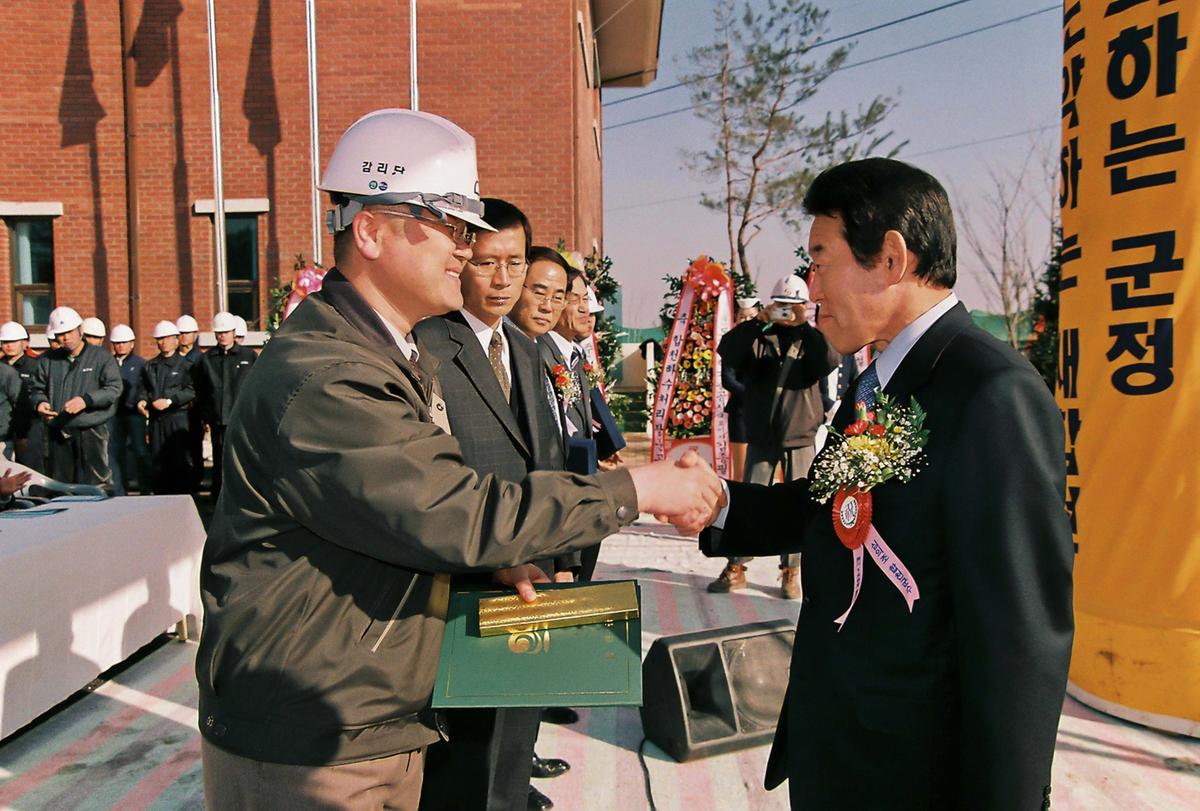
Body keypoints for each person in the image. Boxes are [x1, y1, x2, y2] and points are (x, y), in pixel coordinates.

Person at [196, 108, 720, 810]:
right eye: (447, 224)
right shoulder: (329, 374)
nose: (465, 248)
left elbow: (400, 513)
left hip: (368, 717)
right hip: (310, 740)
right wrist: (639, 488)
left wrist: (485, 563)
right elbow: (456, 511)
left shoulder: (387, 353)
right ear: (370, 230)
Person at [690, 157, 1073, 810]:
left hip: (912, 772)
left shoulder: (989, 392)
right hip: (842, 747)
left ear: (891, 258)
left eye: (820, 259)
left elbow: (1020, 639)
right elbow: (829, 506)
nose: (810, 286)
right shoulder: (883, 378)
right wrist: (716, 500)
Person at [414, 200, 571, 811]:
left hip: (530, 578)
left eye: (516, 262)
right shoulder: (428, 344)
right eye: (486, 263)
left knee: (515, 736)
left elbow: (546, 462)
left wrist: (560, 556)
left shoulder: (528, 349)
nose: (504, 279)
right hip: (466, 581)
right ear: (461, 261)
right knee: (466, 755)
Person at [708, 274, 839, 599]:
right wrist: (759, 322)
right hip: (762, 436)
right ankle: (736, 566)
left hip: (800, 435)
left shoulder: (811, 341)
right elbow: (728, 351)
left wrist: (804, 327)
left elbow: (829, 360)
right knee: (748, 503)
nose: (787, 311)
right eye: (781, 305)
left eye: (793, 306)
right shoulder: (759, 338)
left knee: (800, 506)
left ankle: (791, 571)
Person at [30, 307, 121, 487]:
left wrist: (86, 400)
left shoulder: (100, 357)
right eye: (60, 334)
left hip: (91, 427)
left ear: (80, 330)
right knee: (59, 484)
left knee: (99, 482)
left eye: (69, 332)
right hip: (59, 428)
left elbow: (114, 389)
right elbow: (35, 389)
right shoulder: (47, 360)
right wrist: (40, 403)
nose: (66, 338)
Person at [195, 311, 256, 497]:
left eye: (226, 332)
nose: (222, 336)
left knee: (242, 458)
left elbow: (256, 387)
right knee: (220, 459)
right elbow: (201, 391)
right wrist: (206, 417)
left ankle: (244, 496)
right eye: (219, 333)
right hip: (218, 419)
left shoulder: (249, 356)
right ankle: (219, 497)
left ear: (233, 332)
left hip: (242, 419)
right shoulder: (207, 359)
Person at [138, 320, 195, 494]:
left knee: (179, 458)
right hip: (157, 420)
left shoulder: (186, 365)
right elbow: (144, 388)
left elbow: (192, 390)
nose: (163, 342)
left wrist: (170, 401)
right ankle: (161, 495)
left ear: (176, 340)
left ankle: (182, 495)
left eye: (168, 338)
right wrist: (142, 401)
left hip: (178, 418)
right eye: (160, 339)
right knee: (158, 459)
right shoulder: (150, 366)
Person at [108, 323, 151, 495]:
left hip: (134, 414)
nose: (120, 346)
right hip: (114, 415)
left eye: (124, 342)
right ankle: (120, 490)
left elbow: (145, 387)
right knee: (116, 452)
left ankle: (145, 489)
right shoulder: (109, 363)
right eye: (117, 343)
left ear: (132, 343)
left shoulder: (140, 364)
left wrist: (141, 401)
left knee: (140, 451)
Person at [723, 297, 763, 481]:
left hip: (765, 413)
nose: (746, 321)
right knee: (741, 470)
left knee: (763, 469)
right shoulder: (731, 343)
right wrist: (753, 394)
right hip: (741, 413)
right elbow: (728, 379)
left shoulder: (769, 340)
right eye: (742, 317)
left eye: (751, 317)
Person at [1, 322, 38, 468]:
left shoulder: (35, 366)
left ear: (24, 343)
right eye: (5, 342)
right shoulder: (1, 368)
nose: (9, 345)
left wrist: (24, 433)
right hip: (5, 431)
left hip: (30, 427)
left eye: (14, 341)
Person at [175, 314, 205, 492]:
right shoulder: (173, 358)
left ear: (195, 334)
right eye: (180, 333)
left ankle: (196, 481)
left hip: (195, 411)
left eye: (187, 333)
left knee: (194, 448)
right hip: (177, 411)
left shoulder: (201, 359)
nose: (183, 337)